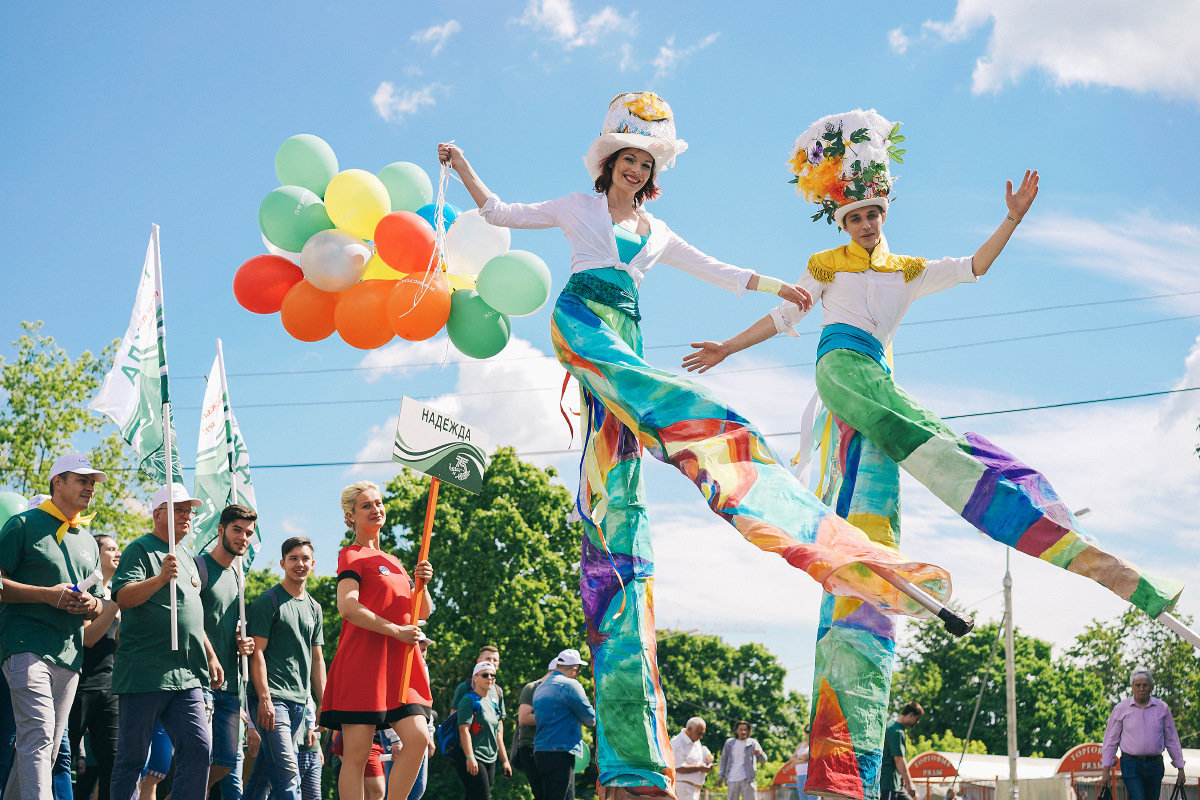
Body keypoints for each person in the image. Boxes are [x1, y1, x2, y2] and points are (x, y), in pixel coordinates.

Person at [439, 92, 950, 796]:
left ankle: (633, 761)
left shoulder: (657, 231)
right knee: (675, 404)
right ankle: (707, 431)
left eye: (645, 163)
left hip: (629, 333)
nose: (634, 170)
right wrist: (464, 167)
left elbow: (714, 267)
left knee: (620, 478)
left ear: (650, 175)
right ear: (609, 164)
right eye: (626, 159)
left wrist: (781, 288)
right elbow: (500, 213)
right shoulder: (576, 208)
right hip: (584, 322)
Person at [683, 108, 1185, 800]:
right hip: (842, 372)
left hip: (880, 390)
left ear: (885, 211)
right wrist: (725, 349)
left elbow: (974, 267)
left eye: (873, 214)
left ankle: (994, 536)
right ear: (842, 219)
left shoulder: (907, 270)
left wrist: (1012, 219)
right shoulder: (826, 268)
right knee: (910, 426)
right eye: (855, 216)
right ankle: (965, 495)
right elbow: (783, 318)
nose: (865, 224)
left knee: (937, 447)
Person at [0, 452, 106, 799]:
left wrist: (90, 605)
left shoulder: (88, 541)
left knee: (42, 747)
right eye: (82, 480)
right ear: (57, 483)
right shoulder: (22, 524)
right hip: (25, 647)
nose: (90, 487)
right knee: (40, 737)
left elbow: (99, 602)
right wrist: (47, 595)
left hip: (70, 658)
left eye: (92, 482)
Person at [319, 481, 434, 800]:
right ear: (350, 516)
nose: (376, 509)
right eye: (366, 505)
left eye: (379, 503)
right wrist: (396, 631)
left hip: (401, 665)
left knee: (418, 739)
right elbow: (348, 606)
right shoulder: (351, 555)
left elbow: (421, 612)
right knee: (355, 754)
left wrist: (421, 582)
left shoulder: (396, 562)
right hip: (364, 663)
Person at [109, 483, 223, 800]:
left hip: (186, 674)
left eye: (190, 511)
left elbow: (190, 613)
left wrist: (211, 654)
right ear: (159, 514)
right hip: (145, 672)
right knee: (132, 759)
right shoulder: (139, 549)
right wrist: (159, 578)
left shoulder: (187, 557)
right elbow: (122, 597)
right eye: (179, 510)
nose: (188, 516)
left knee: (199, 748)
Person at [244, 536, 326, 800]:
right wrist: (264, 699)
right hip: (271, 701)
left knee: (265, 775)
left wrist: (324, 702)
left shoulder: (315, 608)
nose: (299, 564)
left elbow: (317, 659)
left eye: (304, 559)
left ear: (312, 564)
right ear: (283, 563)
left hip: (299, 704)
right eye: (293, 559)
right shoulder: (268, 601)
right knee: (289, 771)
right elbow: (256, 652)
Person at [197, 503, 259, 798]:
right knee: (198, 759)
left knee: (225, 762)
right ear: (220, 530)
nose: (243, 537)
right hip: (199, 679)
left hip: (232, 686)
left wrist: (240, 640)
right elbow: (189, 619)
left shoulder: (238, 577)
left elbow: (229, 624)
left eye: (248, 533)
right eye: (237, 530)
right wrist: (210, 655)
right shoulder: (198, 567)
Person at [69, 533, 122, 800]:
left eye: (118, 548)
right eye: (111, 548)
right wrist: (113, 607)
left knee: (113, 764)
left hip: (110, 688)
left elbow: (116, 647)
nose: (117, 553)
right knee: (62, 760)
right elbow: (87, 640)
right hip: (79, 686)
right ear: (95, 554)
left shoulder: (115, 597)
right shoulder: (87, 590)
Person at [1101, 667, 1186, 800]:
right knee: (1138, 798)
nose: (1142, 688)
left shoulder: (1162, 708)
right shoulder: (1121, 709)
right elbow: (1111, 740)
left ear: (1151, 687)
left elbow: (1172, 739)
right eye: (1138, 685)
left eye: (1145, 685)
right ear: (1132, 687)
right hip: (1131, 764)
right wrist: (1105, 770)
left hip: (1155, 765)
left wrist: (1180, 767)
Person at [533, 649, 596, 800]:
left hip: (540, 751)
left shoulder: (540, 687)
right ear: (575, 669)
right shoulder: (570, 685)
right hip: (560, 751)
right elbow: (590, 719)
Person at [453, 662, 512, 800]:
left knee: (474, 795)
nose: (489, 678)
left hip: (491, 757)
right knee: (483, 795)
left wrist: (505, 761)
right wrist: (470, 757)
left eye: (493, 676)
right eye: (485, 675)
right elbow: (463, 730)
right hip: (473, 756)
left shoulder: (493, 702)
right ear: (475, 678)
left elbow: (498, 734)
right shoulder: (468, 700)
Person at [513, 666, 552, 800]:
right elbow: (523, 718)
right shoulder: (532, 688)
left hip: (552, 748)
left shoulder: (558, 690)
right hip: (530, 747)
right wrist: (557, 717)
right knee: (541, 794)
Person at [452, 646, 507, 722]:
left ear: (498, 664)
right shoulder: (465, 687)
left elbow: (499, 720)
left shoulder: (498, 691)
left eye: (495, 660)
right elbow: (453, 717)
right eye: (488, 659)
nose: (491, 662)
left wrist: (500, 734)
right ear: (479, 661)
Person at [879, 703, 922, 800]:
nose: (917, 722)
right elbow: (899, 759)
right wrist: (909, 783)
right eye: (917, 718)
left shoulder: (889, 725)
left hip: (896, 784)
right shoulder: (897, 731)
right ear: (911, 715)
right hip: (889, 783)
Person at [717, 721, 766, 800]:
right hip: (732, 778)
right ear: (736, 731)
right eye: (741, 729)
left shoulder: (753, 743)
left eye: (745, 730)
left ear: (748, 731)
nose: (743, 732)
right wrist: (720, 777)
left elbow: (763, 760)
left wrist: (760, 753)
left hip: (748, 779)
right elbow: (723, 761)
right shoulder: (729, 743)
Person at [670, 717, 713, 800]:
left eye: (702, 734)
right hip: (683, 789)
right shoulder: (678, 742)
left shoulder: (695, 740)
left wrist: (707, 764)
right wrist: (700, 768)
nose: (701, 737)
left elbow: (697, 760)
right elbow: (678, 768)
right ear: (689, 729)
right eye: (699, 733)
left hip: (694, 788)